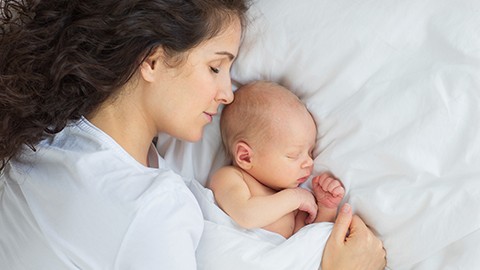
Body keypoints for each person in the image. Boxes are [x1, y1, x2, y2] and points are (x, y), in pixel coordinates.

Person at [0, 1, 385, 269]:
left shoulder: (42, 139)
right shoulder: (151, 207)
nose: (227, 93)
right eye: (216, 67)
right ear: (151, 61)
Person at [210, 81, 346, 239]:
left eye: (310, 152)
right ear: (245, 156)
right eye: (294, 155)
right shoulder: (229, 177)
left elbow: (307, 242)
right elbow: (245, 215)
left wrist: (326, 208)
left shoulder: (291, 201)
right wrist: (295, 198)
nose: (309, 162)